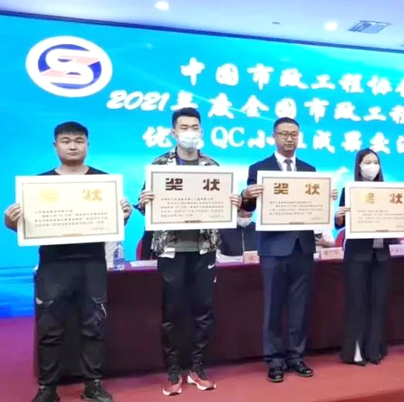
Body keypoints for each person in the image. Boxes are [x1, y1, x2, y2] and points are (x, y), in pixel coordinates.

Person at [4, 122, 131, 402]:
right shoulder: (37, 185)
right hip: (54, 265)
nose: (72, 146)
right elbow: (23, 226)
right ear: (55, 146)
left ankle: (93, 385)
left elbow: (114, 226)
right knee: (49, 329)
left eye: (78, 140)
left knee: (94, 326)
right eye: (65, 140)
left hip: (92, 263)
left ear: (88, 145)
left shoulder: (104, 182)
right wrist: (11, 222)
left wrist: (123, 217)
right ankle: (47, 388)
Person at [137, 108, 241, 396]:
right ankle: (173, 370)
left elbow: (223, 206)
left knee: (203, 311)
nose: (190, 132)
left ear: (202, 131)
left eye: (195, 127)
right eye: (184, 127)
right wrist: (144, 202)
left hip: (204, 249)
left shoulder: (213, 166)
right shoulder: (159, 165)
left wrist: (231, 203)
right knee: (172, 312)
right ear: (173, 132)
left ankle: (197, 367)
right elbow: (145, 208)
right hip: (171, 250)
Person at [240, 117, 337, 383]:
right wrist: (247, 195)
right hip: (273, 247)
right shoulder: (259, 168)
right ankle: (274, 360)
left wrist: (326, 198)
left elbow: (315, 207)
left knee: (299, 306)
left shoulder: (309, 169)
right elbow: (249, 207)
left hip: (302, 246)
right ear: (274, 136)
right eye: (284, 134)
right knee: (273, 306)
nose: (289, 138)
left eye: (294, 134)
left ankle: (296, 356)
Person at [335, 149, 395, 365]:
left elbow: (395, 221)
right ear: (358, 166)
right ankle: (356, 351)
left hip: (381, 254)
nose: (372, 166)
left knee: (378, 302)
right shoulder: (349, 190)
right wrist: (338, 217)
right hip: (357, 255)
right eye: (367, 162)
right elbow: (340, 224)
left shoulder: (389, 192)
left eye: (375, 162)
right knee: (357, 302)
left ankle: (374, 348)